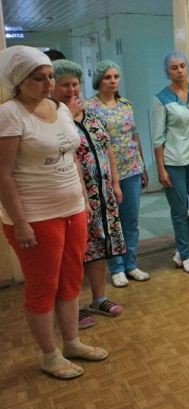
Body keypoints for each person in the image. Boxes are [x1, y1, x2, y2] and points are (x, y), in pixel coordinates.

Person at [0, 46, 108, 379]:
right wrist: (20, 223)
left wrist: (84, 200)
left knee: (71, 279)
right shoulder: (10, 114)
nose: (48, 83)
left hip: (72, 210)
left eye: (50, 76)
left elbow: (72, 158)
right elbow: (3, 174)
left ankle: (71, 342)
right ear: (19, 80)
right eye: (39, 78)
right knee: (43, 286)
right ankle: (50, 354)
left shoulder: (60, 109)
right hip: (36, 216)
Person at [52, 59, 127, 329]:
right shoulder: (52, 119)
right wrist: (67, 117)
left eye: (75, 84)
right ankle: (74, 306)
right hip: (74, 199)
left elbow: (108, 151)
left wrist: (115, 183)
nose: (71, 89)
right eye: (65, 85)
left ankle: (99, 298)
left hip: (102, 195)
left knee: (99, 248)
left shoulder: (93, 116)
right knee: (73, 255)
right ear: (53, 87)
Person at [85, 60, 150, 286]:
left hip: (131, 169)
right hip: (105, 174)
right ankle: (116, 268)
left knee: (131, 220)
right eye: (108, 77)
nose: (113, 81)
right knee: (112, 222)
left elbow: (135, 135)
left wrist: (142, 166)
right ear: (99, 80)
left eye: (116, 76)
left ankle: (131, 264)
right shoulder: (89, 107)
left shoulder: (126, 105)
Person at [151, 51, 189, 273]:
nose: (179, 70)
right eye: (174, 67)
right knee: (179, 211)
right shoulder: (161, 99)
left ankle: (182, 249)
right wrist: (161, 169)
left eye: (182, 66)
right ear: (167, 72)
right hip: (173, 161)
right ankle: (187, 255)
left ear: (187, 67)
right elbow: (157, 138)